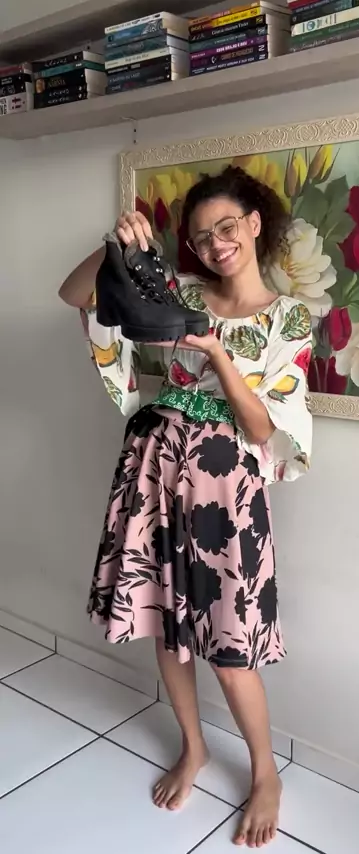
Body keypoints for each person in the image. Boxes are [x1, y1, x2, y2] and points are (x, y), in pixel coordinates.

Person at [59, 166, 313, 848]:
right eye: (201, 237)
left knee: (230, 645)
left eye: (226, 227)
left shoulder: (289, 318)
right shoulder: (179, 293)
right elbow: (75, 296)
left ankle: (265, 773)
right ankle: (192, 746)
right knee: (166, 624)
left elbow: (262, 427)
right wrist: (114, 246)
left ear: (254, 224)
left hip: (226, 490)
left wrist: (217, 355)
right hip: (153, 468)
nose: (215, 243)